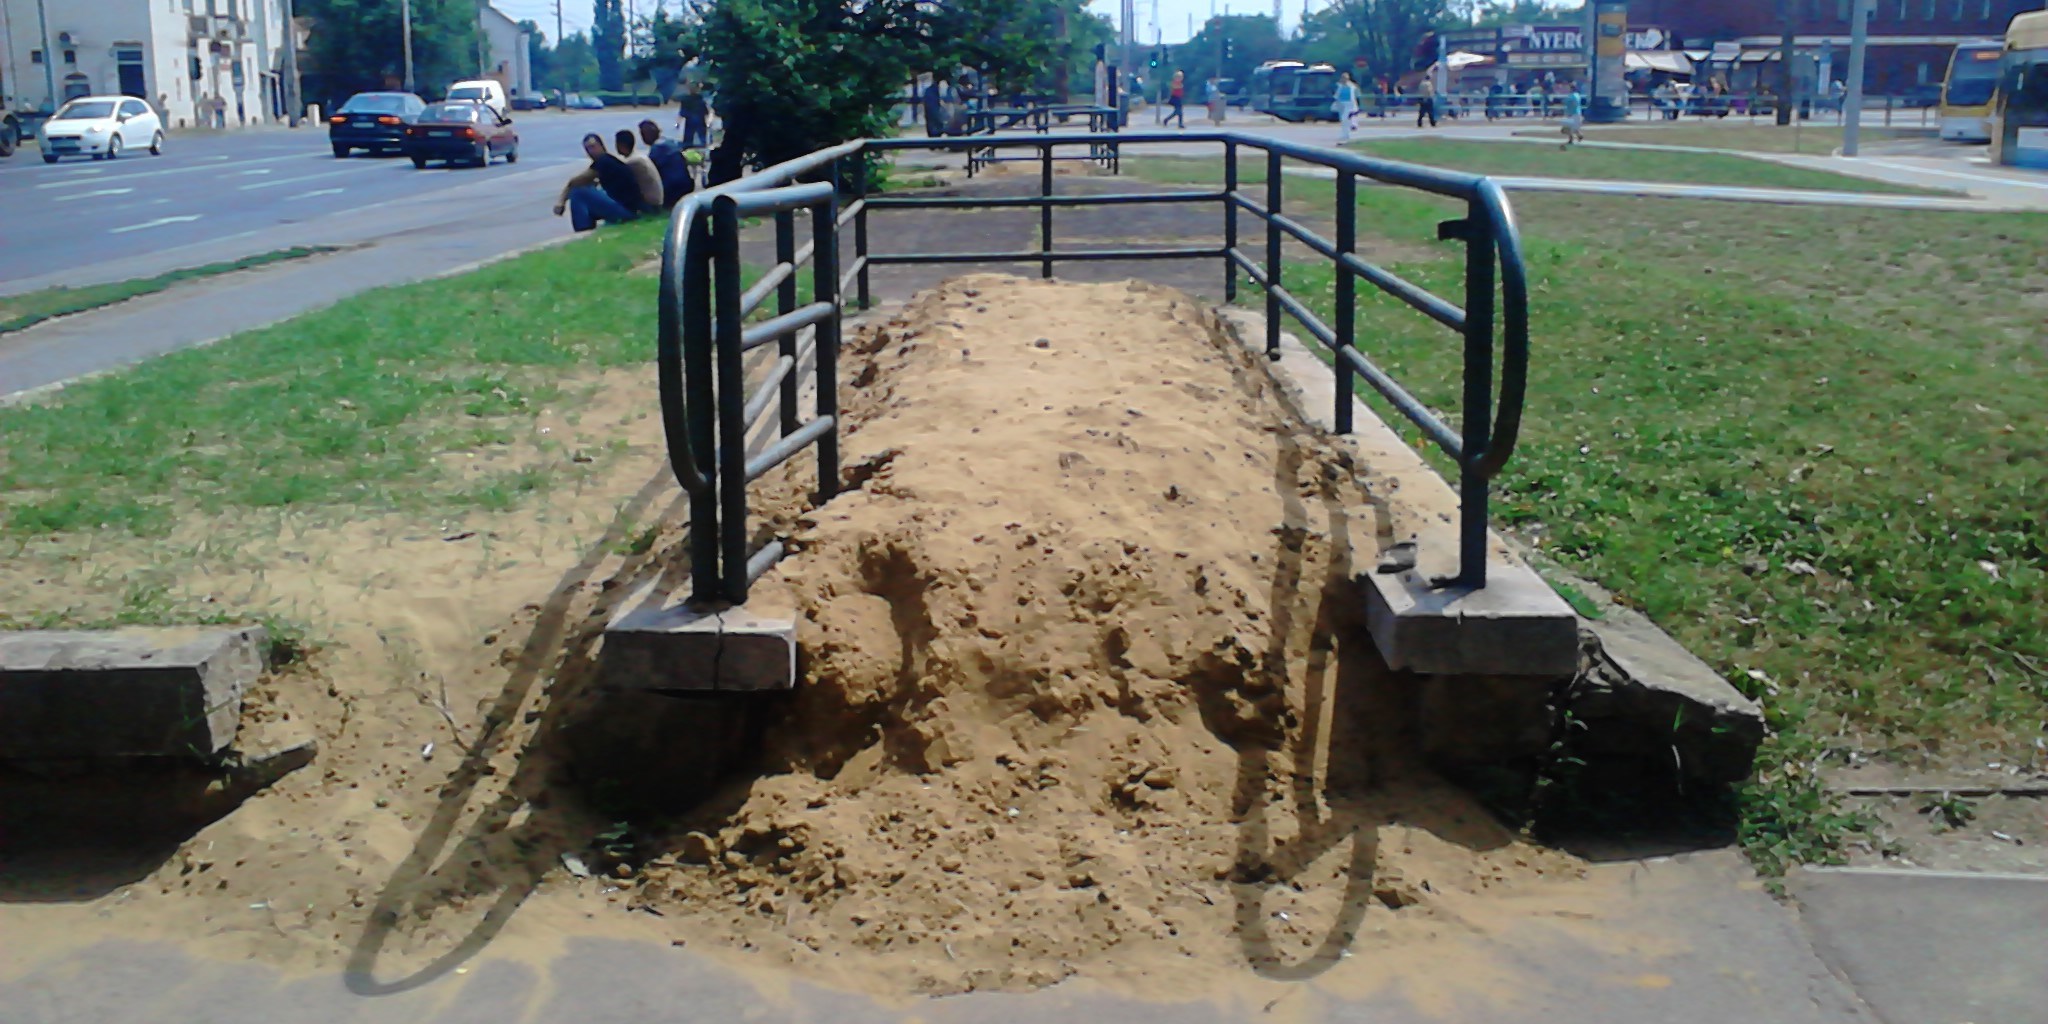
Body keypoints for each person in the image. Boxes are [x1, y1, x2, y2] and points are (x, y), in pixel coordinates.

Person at [553, 133, 649, 232]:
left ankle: (582, 231)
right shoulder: (607, 161)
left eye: (593, 147)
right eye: (587, 149)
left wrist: (561, 202)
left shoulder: (604, 161)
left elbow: (574, 182)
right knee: (586, 193)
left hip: (628, 212)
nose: (590, 151)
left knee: (578, 193)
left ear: (601, 146)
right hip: (631, 209)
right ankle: (585, 228)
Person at [638, 120, 692, 208]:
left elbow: (650, 171)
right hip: (686, 185)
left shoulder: (656, 149)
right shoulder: (669, 142)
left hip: (672, 189)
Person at [676, 82, 710, 147]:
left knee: (688, 142)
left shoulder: (685, 99)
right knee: (702, 140)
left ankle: (688, 145)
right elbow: (706, 113)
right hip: (700, 122)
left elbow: (682, 113)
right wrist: (709, 123)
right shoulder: (702, 100)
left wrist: (678, 123)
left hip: (689, 122)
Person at [1333, 72, 1360, 142]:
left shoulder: (1352, 86)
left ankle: (1347, 133)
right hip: (1341, 104)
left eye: (1345, 78)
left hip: (1349, 105)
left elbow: (1356, 96)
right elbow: (1336, 95)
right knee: (1343, 120)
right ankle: (1345, 133)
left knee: (1345, 118)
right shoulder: (1340, 86)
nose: (1344, 80)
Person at [1559, 82, 1585, 148]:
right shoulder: (1577, 95)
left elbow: (1565, 102)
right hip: (1576, 114)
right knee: (1573, 128)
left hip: (1573, 114)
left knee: (1566, 129)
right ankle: (1579, 136)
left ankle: (1572, 139)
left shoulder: (1572, 96)